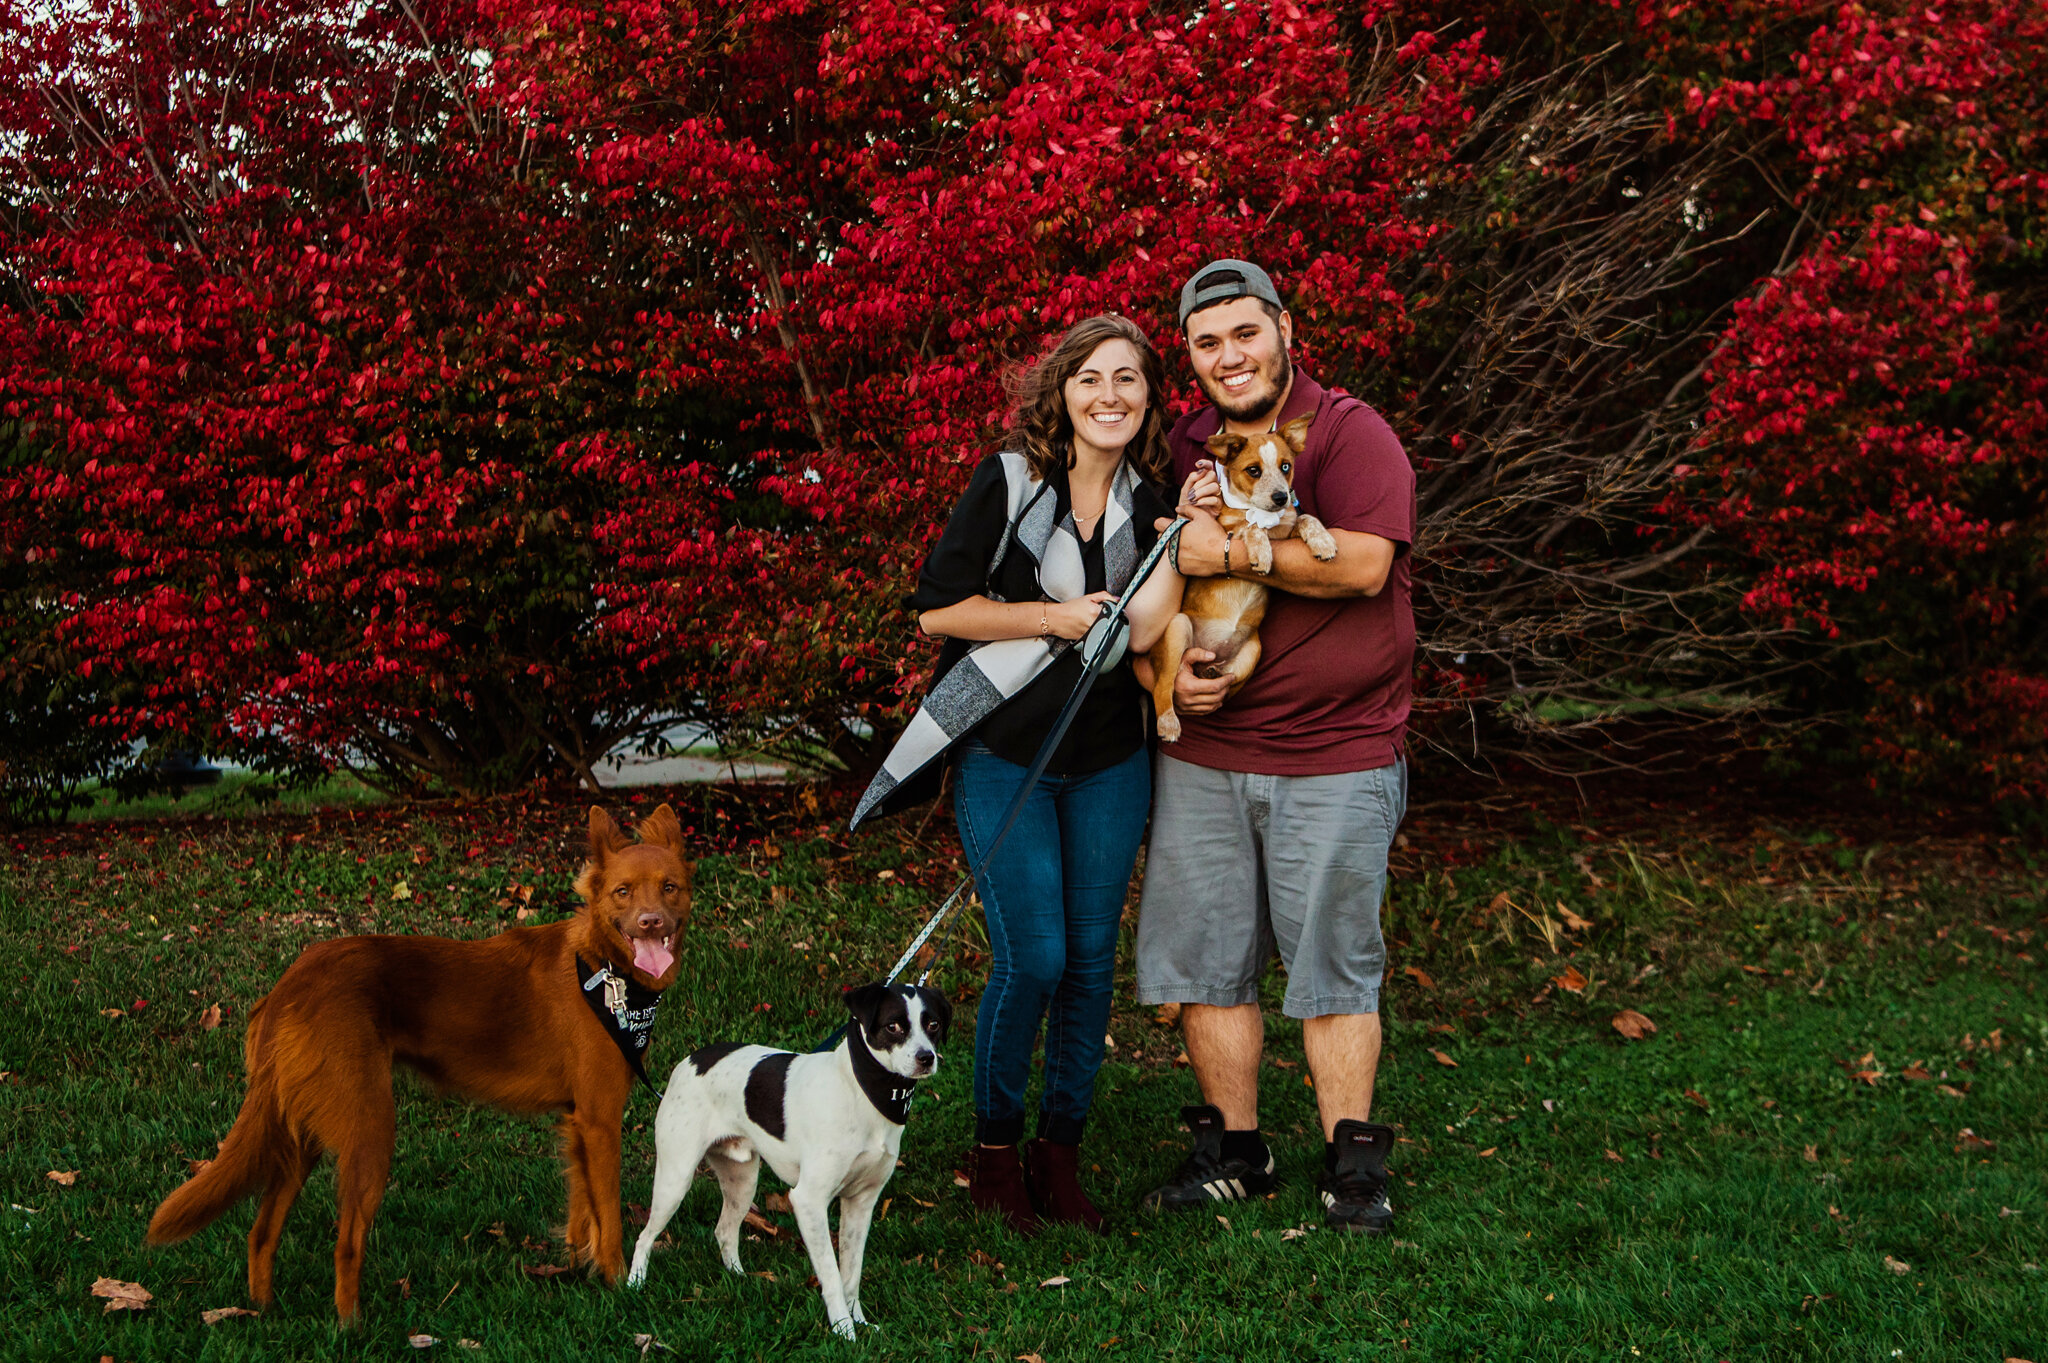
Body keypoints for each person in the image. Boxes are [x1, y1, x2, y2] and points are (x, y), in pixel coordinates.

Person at [850, 314, 1183, 1235]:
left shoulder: (1155, 502)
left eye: (1128, 379)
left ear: (1149, 397)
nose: (1109, 395)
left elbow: (1155, 627)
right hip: (1006, 756)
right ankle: (995, 1151)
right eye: (1090, 378)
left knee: (1087, 967)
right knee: (1033, 955)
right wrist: (1053, 616)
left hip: (1112, 763)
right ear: (1061, 393)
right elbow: (936, 614)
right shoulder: (1006, 483)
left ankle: (1059, 1154)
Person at [1131, 259, 1415, 1234]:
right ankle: (1234, 1152)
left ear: (1282, 329)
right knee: (1206, 961)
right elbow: (1171, 589)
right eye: (1206, 343)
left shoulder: (1347, 433)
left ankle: (1353, 1166)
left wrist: (1238, 549)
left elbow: (1366, 565)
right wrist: (1176, 676)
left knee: (1332, 963)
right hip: (1205, 753)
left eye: (1243, 334)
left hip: (1334, 752)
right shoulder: (1187, 443)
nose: (1228, 356)